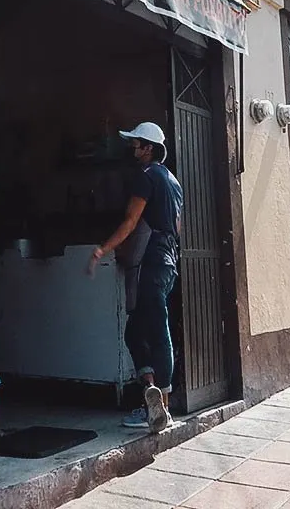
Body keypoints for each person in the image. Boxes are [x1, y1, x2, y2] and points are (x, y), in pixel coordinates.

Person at [87, 122, 182, 434]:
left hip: (153, 263)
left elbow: (130, 221)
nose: (133, 149)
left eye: (137, 144)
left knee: (156, 331)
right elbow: (177, 228)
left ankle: (163, 409)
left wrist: (103, 249)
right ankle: (152, 397)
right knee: (136, 332)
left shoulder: (146, 177)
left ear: (148, 148)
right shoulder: (173, 181)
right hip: (168, 262)